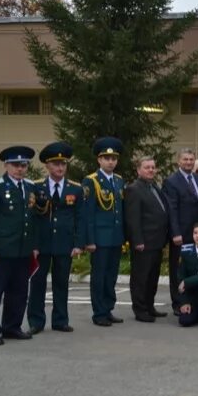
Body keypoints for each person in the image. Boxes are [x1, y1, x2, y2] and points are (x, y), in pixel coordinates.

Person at [0, 145, 38, 345]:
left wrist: (33, 246)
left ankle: (12, 327)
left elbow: (32, 218)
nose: (20, 169)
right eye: (15, 165)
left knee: (19, 292)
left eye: (23, 165)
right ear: (6, 165)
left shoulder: (29, 186)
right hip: (1, 251)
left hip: (22, 250)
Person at [27, 141, 84, 335]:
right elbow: (32, 219)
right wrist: (33, 244)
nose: (60, 168)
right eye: (55, 164)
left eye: (63, 164)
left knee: (61, 283)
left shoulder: (75, 189)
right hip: (41, 244)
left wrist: (78, 244)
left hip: (64, 243)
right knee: (37, 283)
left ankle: (60, 320)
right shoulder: (36, 187)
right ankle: (36, 321)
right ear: (47, 166)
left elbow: (79, 218)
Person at [83, 137, 126, 327]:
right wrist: (89, 240)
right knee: (99, 276)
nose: (111, 162)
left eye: (114, 158)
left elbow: (120, 210)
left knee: (111, 276)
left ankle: (108, 308)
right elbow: (88, 213)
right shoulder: (91, 181)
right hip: (99, 238)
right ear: (99, 160)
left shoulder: (119, 180)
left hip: (115, 237)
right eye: (107, 158)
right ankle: (98, 312)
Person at [164, 148, 198, 316]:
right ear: (179, 161)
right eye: (185, 159)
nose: (189, 162)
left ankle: (195, 301)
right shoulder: (171, 181)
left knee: (197, 267)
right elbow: (172, 209)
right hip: (181, 234)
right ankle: (178, 302)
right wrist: (175, 233)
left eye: (191, 159)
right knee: (178, 269)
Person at [125, 156, 171, 322]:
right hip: (143, 243)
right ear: (138, 170)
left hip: (156, 241)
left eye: (153, 167)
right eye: (147, 167)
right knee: (141, 278)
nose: (151, 170)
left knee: (152, 278)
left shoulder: (154, 187)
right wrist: (137, 241)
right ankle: (140, 310)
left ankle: (149, 306)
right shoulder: (134, 189)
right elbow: (133, 218)